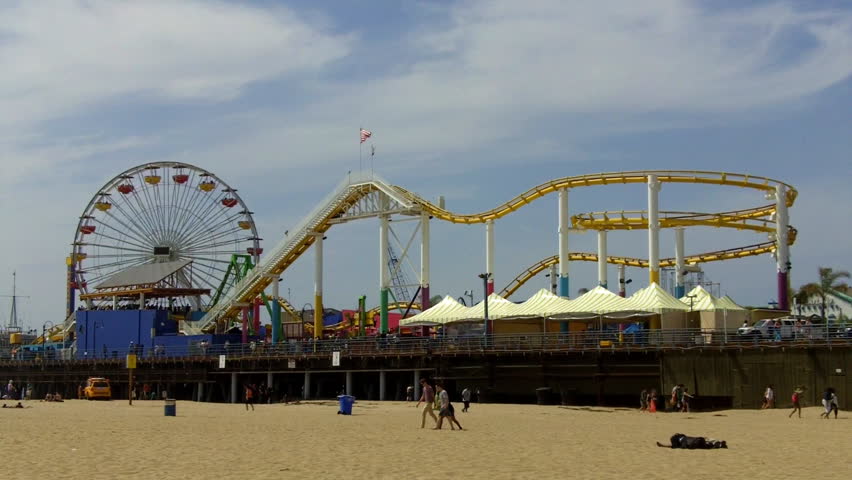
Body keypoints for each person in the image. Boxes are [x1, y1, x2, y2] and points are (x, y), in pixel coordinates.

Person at [656, 433, 727, 449]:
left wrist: (662, 445)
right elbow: (671, 445)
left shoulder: (682, 439)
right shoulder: (683, 437)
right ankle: (719, 443)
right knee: (707, 442)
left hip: (695, 443)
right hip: (696, 441)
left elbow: (672, 445)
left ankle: (719, 444)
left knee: (707, 445)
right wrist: (662, 445)